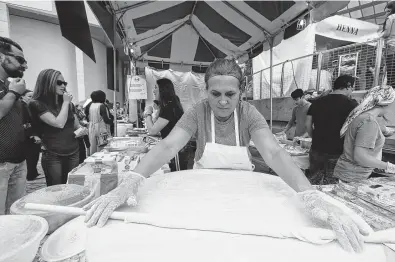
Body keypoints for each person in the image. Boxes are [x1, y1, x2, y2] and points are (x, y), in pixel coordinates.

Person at [84, 59, 371, 253]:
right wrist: (132, 179)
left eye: (230, 94)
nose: (222, 101)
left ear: (241, 92)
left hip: (241, 191)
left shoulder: (249, 113)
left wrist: (310, 196)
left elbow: (272, 151)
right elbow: (169, 146)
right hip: (200, 190)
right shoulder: (198, 111)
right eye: (215, 93)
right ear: (206, 91)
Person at [334, 86, 395, 182]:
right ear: (386, 104)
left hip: (348, 173)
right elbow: (360, 157)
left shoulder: (363, 117)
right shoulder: (369, 122)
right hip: (353, 177)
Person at [305, 75, 358, 185]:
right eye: (352, 88)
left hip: (316, 149)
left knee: (313, 182)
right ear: (348, 86)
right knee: (332, 186)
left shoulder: (316, 102)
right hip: (337, 151)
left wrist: (314, 138)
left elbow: (307, 124)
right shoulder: (351, 104)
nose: (352, 91)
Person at [29, 69, 80, 186]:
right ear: (47, 83)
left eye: (64, 83)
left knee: (73, 187)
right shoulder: (37, 103)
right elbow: (59, 123)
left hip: (73, 150)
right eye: (59, 82)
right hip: (53, 154)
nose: (63, 85)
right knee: (56, 190)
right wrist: (66, 103)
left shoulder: (68, 103)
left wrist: (81, 130)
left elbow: (75, 125)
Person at [0, 37, 28, 214]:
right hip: (2, 163)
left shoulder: (9, 85)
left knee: (15, 216)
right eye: (20, 59)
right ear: (2, 57)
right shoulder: (11, 89)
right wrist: (12, 93)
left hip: (18, 161)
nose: (24, 66)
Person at [144, 78, 186, 171]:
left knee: (176, 178)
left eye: (156, 88)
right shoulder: (169, 105)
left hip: (176, 152)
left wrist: (147, 113)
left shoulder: (169, 107)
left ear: (162, 90)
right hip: (173, 148)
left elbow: (152, 130)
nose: (153, 90)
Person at [21, 90, 42, 180]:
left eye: (32, 97)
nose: (31, 98)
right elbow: (26, 123)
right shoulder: (23, 106)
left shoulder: (28, 106)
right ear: (22, 97)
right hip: (28, 136)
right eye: (29, 96)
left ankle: (34, 172)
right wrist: (32, 135)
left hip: (31, 134)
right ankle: (30, 174)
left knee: (35, 154)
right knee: (31, 156)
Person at [86, 90, 113, 155]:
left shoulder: (90, 105)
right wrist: (112, 120)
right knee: (102, 146)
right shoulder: (101, 106)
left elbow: (87, 117)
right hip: (100, 128)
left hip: (91, 127)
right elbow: (106, 120)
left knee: (93, 145)